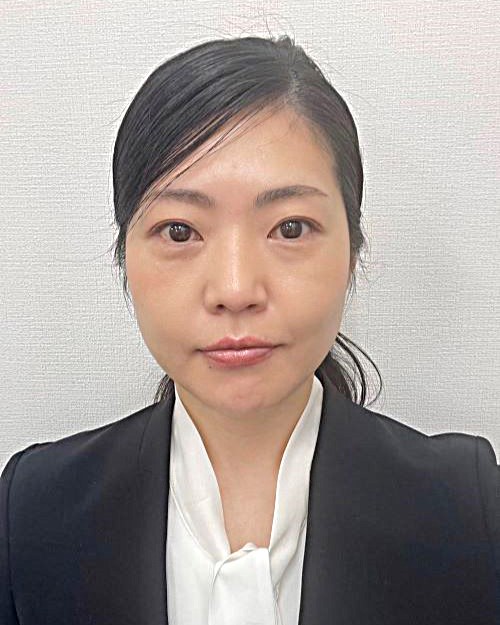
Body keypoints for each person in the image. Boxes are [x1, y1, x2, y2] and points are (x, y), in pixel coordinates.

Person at [1, 34, 498, 625]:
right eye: (180, 231)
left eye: (290, 228)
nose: (235, 290)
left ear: (352, 250)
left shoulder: (468, 510)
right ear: (124, 258)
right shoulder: (33, 510)